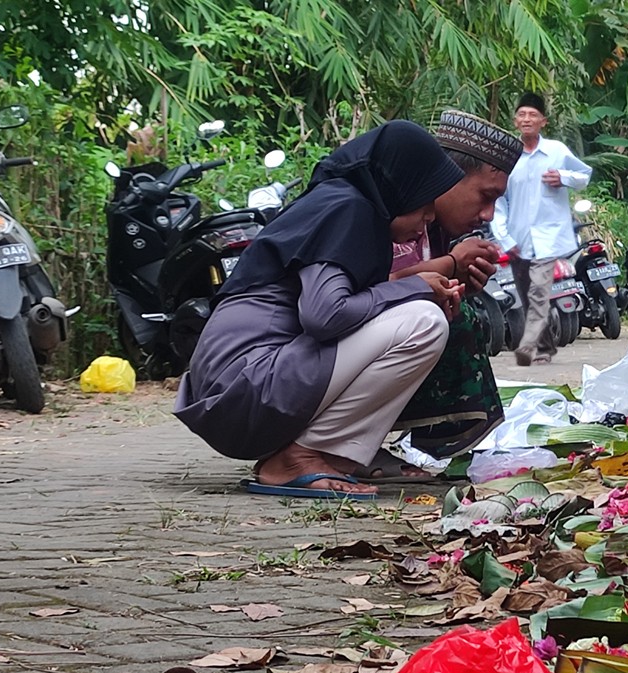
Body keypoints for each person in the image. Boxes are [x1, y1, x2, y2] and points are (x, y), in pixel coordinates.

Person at [173, 121, 465, 501]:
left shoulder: (339, 204)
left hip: (236, 392)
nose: (428, 220)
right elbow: (325, 315)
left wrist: (414, 285)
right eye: (425, 206)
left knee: (417, 311)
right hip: (243, 388)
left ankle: (312, 453)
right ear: (399, 186)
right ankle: (299, 459)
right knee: (424, 323)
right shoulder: (349, 209)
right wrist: (415, 288)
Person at [358, 111, 522, 481]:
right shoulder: (374, 210)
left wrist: (457, 278)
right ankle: (338, 445)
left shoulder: (438, 231)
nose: (487, 214)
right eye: (485, 196)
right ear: (445, 176)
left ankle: (364, 444)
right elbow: (355, 295)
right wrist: (447, 266)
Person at [490, 93, 592, 366]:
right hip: (518, 238)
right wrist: (504, 237)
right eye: (522, 114)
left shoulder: (557, 152)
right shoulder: (507, 159)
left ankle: (530, 347)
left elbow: (585, 175)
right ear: (515, 121)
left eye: (532, 115)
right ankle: (545, 346)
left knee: (538, 291)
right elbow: (500, 201)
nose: (527, 119)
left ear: (543, 121)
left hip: (548, 237)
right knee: (527, 293)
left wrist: (564, 178)